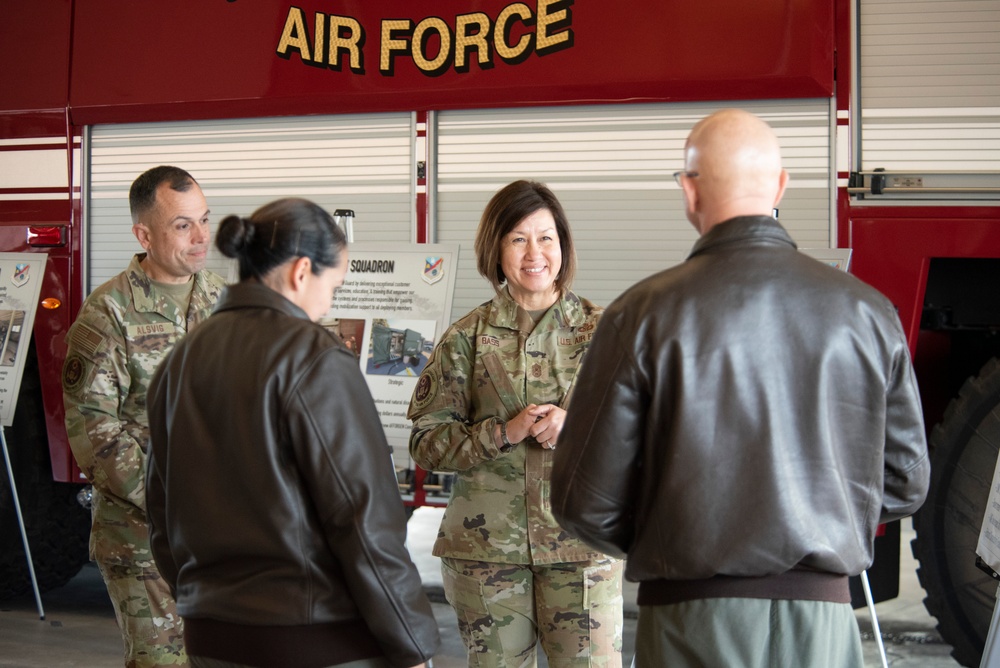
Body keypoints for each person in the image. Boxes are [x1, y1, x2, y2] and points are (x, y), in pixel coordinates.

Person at [550, 108, 932, 667]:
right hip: (822, 620)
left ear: (688, 191)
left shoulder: (642, 314)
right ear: (781, 186)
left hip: (689, 617)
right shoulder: (867, 313)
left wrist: (673, 530)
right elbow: (906, 480)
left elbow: (584, 500)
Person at [145, 198, 440, 668]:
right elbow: (362, 520)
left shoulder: (178, 360)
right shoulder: (314, 357)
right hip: (318, 642)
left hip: (210, 638)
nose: (330, 303)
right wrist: (415, 643)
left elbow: (161, 512)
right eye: (334, 286)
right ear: (303, 272)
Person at [408, 180, 624, 667]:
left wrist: (579, 426)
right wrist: (502, 432)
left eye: (546, 237)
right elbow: (425, 442)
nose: (535, 253)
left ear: (563, 246)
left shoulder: (605, 331)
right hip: (488, 557)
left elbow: (647, 431)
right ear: (497, 248)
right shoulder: (466, 338)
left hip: (582, 548)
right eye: (518, 238)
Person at [63, 165, 225, 667]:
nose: (201, 238)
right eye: (183, 225)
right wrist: (170, 500)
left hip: (221, 533)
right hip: (144, 538)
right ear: (144, 234)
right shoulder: (108, 313)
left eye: (204, 220)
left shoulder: (220, 298)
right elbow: (93, 428)